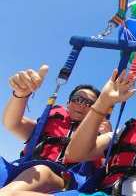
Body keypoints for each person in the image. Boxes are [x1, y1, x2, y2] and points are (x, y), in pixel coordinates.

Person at [0, 65, 110, 195]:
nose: (82, 104)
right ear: (68, 103)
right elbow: (13, 123)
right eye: (78, 99)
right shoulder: (48, 122)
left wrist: (106, 137)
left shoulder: (98, 136)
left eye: (89, 103)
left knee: (43, 170)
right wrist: (20, 94)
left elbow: (105, 169)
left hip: (64, 180)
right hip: (24, 169)